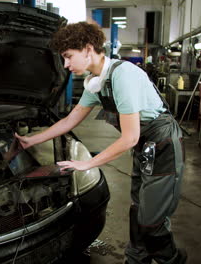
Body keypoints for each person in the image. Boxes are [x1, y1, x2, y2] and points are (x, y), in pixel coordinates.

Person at [14, 22, 187, 264]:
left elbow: (129, 137)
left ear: (87, 49)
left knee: (152, 221)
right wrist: (30, 140)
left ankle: (174, 259)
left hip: (163, 143)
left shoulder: (123, 75)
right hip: (146, 147)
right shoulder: (97, 83)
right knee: (139, 208)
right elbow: (69, 121)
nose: (65, 65)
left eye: (68, 56)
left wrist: (89, 163)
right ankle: (136, 259)